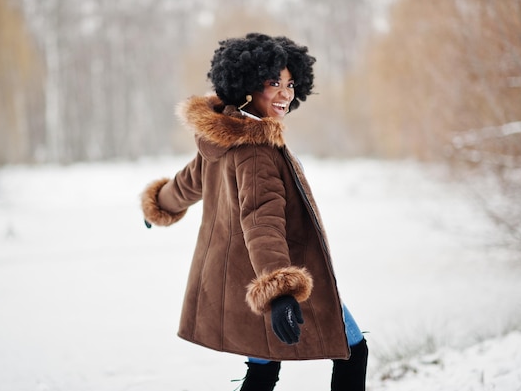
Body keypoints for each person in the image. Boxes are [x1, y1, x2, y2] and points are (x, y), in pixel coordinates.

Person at [141, 32, 368, 390]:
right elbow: (262, 221)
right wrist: (279, 292)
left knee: (263, 368)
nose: (286, 93)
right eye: (273, 82)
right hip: (274, 272)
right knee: (353, 349)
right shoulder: (256, 150)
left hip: (244, 278)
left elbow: (187, 183)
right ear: (247, 86)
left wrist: (159, 205)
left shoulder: (221, 138)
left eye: (291, 84)